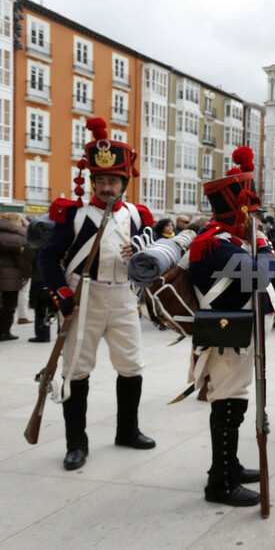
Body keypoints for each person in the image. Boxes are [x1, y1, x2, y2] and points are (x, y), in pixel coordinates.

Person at [38, 117, 156, 471]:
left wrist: (139, 252)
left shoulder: (137, 215)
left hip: (122, 297)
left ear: (123, 183)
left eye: (113, 181)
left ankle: (127, 430)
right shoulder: (74, 215)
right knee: (76, 370)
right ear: (92, 182)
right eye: (101, 181)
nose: (107, 187)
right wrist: (62, 295)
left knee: (131, 367)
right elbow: (47, 256)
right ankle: (77, 443)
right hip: (83, 299)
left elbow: (153, 249)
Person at [187, 145, 274, 506]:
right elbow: (258, 276)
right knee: (227, 405)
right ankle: (220, 483)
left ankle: (230, 466)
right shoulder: (215, 245)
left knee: (234, 404)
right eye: (252, 212)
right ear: (238, 210)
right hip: (227, 337)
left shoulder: (231, 241)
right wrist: (267, 249)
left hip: (239, 334)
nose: (256, 219)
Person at [0, 212, 29, 341]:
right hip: (11, 275)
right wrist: (26, 274)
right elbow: (21, 259)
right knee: (9, 305)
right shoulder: (19, 236)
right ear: (16, 220)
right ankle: (5, 332)